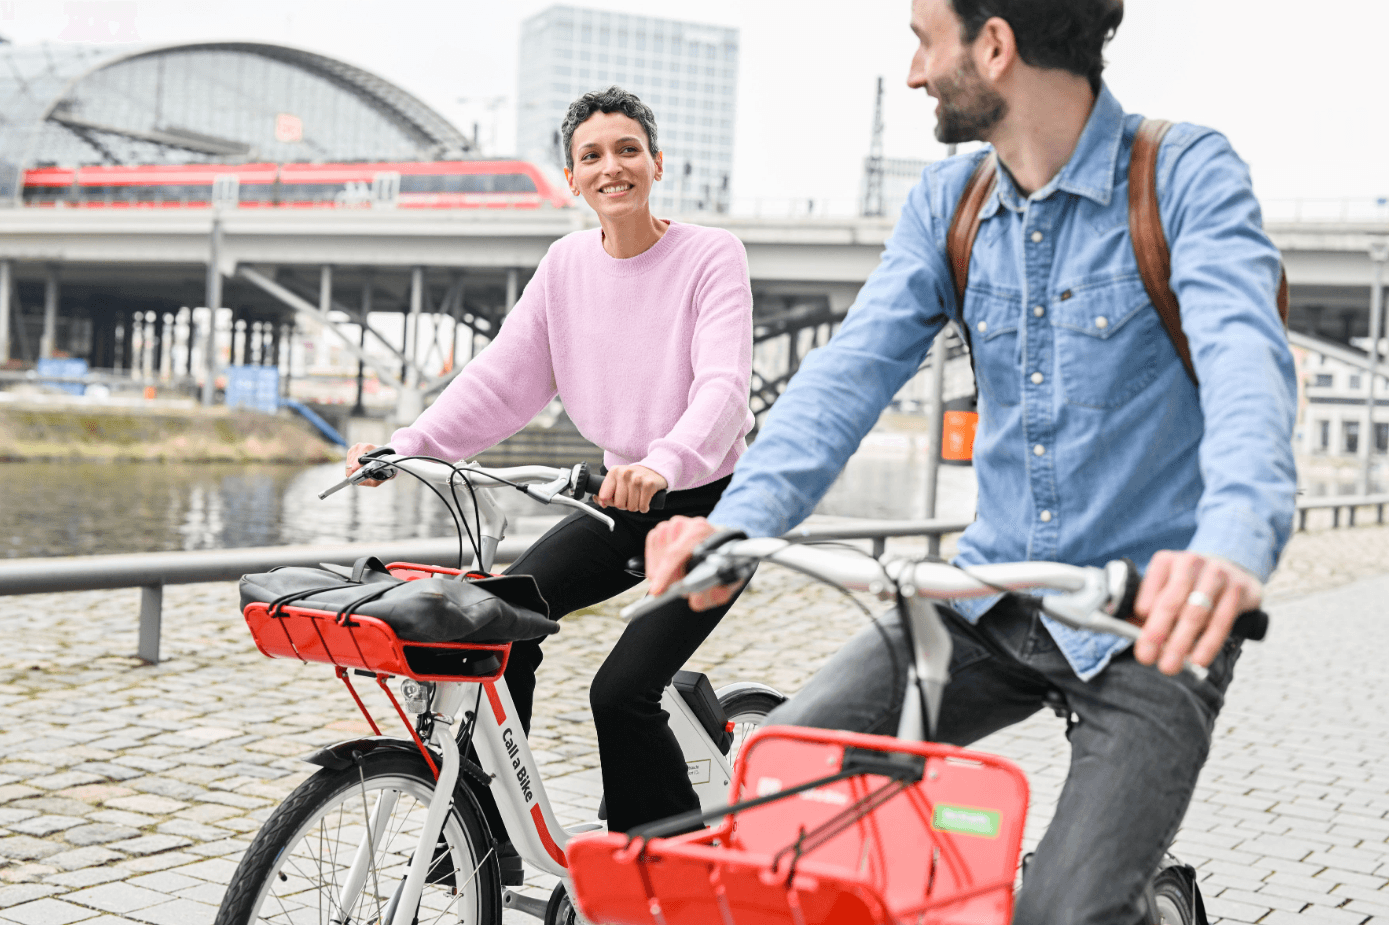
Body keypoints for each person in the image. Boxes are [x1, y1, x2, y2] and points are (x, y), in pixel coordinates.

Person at [644, 1, 1296, 922]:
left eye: (923, 40)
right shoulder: (949, 203)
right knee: (778, 781)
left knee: (1063, 913)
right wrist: (738, 523)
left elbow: (1245, 367)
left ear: (993, 47)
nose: (913, 71)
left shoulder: (1182, 176)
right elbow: (847, 375)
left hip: (1151, 619)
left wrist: (1230, 544)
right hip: (988, 598)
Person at [345, 86, 756, 838]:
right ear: (571, 178)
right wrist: (405, 446)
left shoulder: (709, 255)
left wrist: (662, 463)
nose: (612, 167)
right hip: (615, 503)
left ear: (656, 163)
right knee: (498, 631)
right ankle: (482, 842)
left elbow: (724, 387)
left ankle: (660, 874)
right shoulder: (566, 265)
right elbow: (503, 379)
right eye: (591, 156)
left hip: (713, 509)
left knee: (622, 691)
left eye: (627, 150)